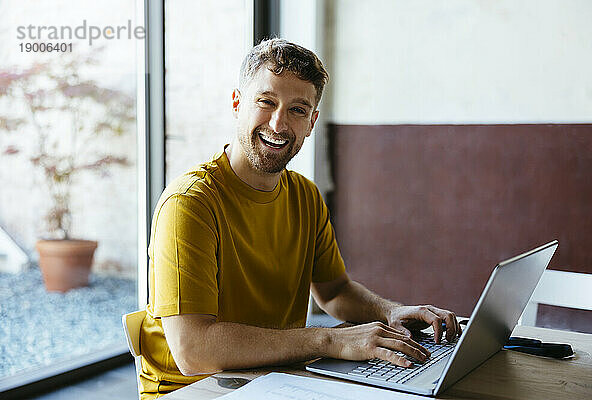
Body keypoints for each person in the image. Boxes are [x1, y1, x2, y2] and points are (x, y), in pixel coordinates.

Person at [138, 38, 461, 399]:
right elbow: (193, 350)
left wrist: (392, 312)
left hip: (277, 379)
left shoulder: (305, 196)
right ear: (237, 103)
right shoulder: (190, 204)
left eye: (297, 109)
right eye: (266, 102)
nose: (279, 123)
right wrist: (330, 339)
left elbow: (335, 292)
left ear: (311, 122)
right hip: (196, 389)